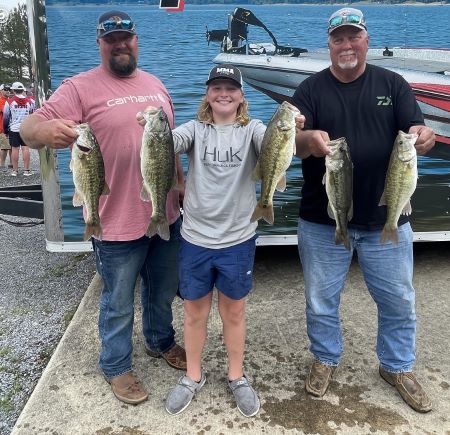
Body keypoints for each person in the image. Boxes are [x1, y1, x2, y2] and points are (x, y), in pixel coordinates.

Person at [20, 10, 187, 405]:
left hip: (165, 212)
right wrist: (44, 131)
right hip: (112, 223)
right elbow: (28, 130)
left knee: (162, 292)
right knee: (117, 301)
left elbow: (169, 147)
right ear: (101, 44)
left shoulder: (156, 85)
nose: (120, 45)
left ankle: (160, 341)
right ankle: (116, 365)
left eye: (126, 38)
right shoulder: (78, 88)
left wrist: (180, 187)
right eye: (111, 40)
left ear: (136, 41)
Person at [138, 65, 304, 417]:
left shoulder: (256, 130)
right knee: (194, 312)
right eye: (216, 87)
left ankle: (237, 376)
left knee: (234, 312)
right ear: (207, 94)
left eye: (231, 87)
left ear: (242, 95)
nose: (223, 93)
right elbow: (169, 143)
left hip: (238, 239)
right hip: (196, 238)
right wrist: (152, 124)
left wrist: (294, 132)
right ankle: (193, 376)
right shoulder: (194, 130)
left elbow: (280, 147)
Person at [292, 8, 435, 413]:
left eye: (354, 37)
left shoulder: (393, 83)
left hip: (385, 217)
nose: (346, 45)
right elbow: (293, 140)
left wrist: (422, 136)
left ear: (367, 40)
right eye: (338, 38)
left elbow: (415, 129)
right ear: (329, 44)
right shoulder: (310, 89)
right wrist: (307, 139)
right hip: (323, 219)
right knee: (321, 299)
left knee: (399, 300)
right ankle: (325, 359)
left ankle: (397, 367)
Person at [3, 82, 34, 176]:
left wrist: (5, 130)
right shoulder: (30, 101)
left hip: (14, 128)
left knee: (15, 149)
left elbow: (6, 117)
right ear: (23, 90)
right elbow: (32, 114)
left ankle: (15, 171)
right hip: (26, 128)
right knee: (25, 149)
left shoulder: (9, 102)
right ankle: (26, 171)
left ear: (13, 90)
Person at [0, 84, 12, 170]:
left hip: (10, 126)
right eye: (5, 89)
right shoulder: (1, 101)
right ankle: (2, 165)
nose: (8, 91)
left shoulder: (10, 101)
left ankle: (12, 163)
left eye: (9, 89)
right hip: (2, 128)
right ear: (1, 91)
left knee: (12, 146)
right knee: (4, 147)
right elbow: (4, 110)